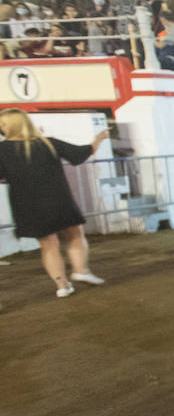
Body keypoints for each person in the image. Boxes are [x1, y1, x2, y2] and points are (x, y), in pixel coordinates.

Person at [0, 109, 108, 298]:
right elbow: (81, 154)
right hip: (58, 197)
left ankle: (62, 285)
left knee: (48, 245)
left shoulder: (2, 150)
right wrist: (99, 138)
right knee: (75, 234)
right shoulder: (49, 143)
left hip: (26, 203)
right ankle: (81, 270)